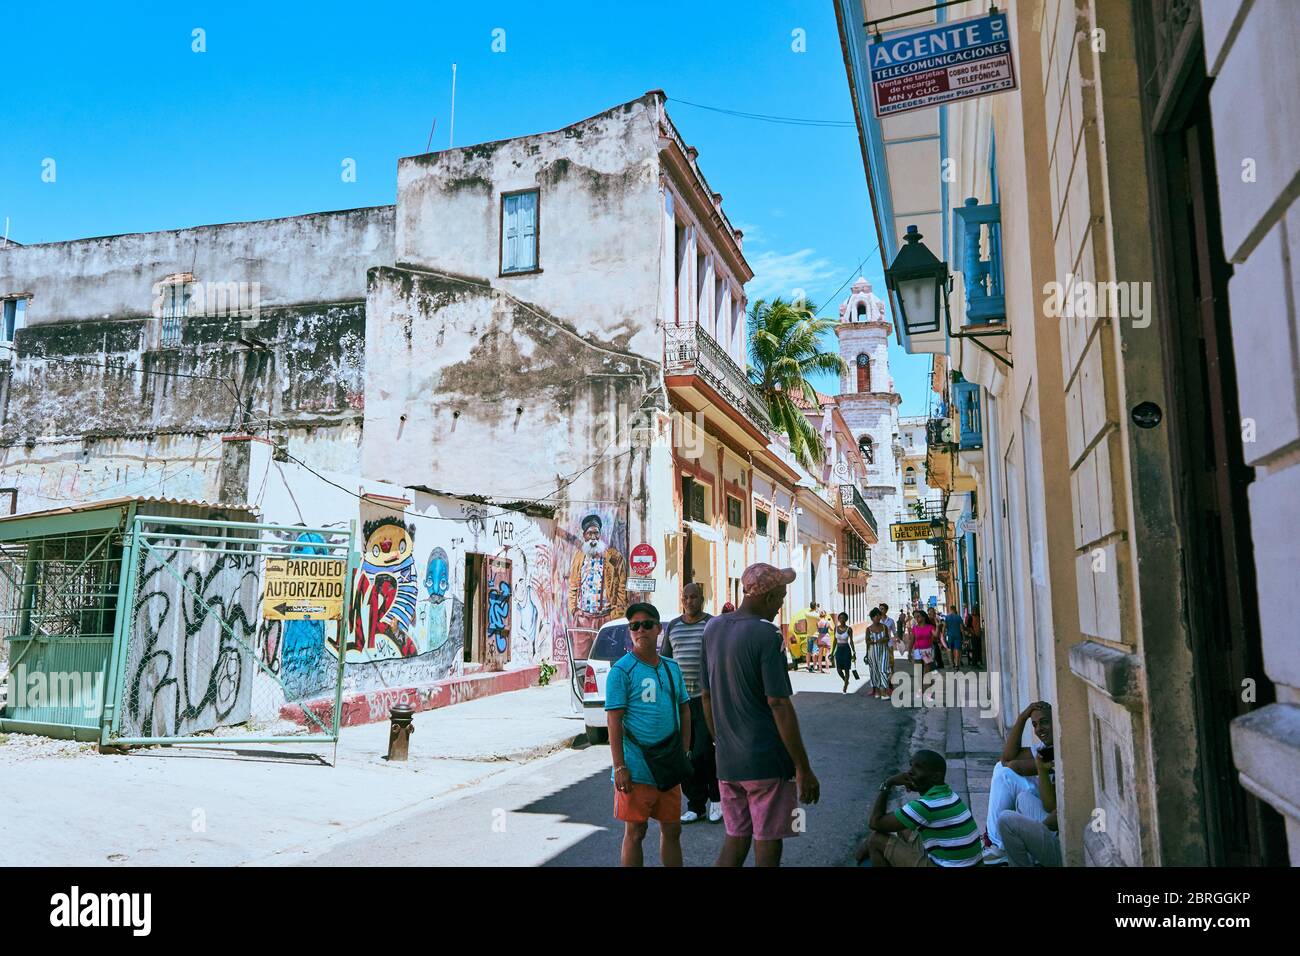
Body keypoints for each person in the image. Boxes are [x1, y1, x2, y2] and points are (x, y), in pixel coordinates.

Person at [701, 563, 819, 867]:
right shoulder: (767, 635)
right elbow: (778, 703)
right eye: (780, 597)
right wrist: (803, 768)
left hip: (729, 763)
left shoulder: (713, 628)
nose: (781, 605)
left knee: (736, 838)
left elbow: (706, 696)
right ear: (766, 598)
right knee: (769, 838)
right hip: (766, 761)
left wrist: (721, 741)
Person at [605, 602, 691, 867]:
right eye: (634, 626)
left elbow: (685, 710)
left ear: (658, 630)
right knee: (635, 832)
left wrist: (684, 752)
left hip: (668, 766)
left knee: (673, 830)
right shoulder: (621, 671)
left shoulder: (671, 668)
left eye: (646, 624)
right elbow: (614, 720)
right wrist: (620, 766)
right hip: (637, 768)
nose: (640, 630)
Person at [858, 749, 982, 867]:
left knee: (875, 839)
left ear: (936, 777)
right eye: (911, 765)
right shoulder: (950, 795)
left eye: (918, 768)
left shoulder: (925, 806)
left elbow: (875, 822)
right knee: (904, 825)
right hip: (969, 864)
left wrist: (888, 784)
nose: (910, 772)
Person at [660, 583, 720, 824]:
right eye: (686, 597)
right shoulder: (673, 627)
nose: (690, 601)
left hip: (706, 701)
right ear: (682, 600)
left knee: (707, 753)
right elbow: (665, 661)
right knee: (685, 755)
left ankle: (716, 800)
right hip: (680, 703)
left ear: (702, 599)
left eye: (694, 597)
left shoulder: (713, 625)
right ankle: (696, 805)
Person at [983, 701, 1054, 865]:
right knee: (1005, 773)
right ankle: (997, 842)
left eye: (1044, 722)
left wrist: (1011, 764)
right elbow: (1008, 756)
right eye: (1035, 725)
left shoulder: (1058, 746)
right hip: (1046, 805)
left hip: (1051, 814)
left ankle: (998, 845)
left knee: (1005, 775)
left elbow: (1013, 764)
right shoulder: (1045, 745)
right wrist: (1023, 717)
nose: (1039, 729)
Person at [1001, 747, 1062, 866]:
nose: (1039, 730)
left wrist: (1034, 830)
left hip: (1062, 847)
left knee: (1006, 820)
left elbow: (1055, 817)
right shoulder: (1052, 750)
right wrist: (1042, 769)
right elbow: (1050, 806)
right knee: (1023, 797)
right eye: (1035, 726)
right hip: (1054, 830)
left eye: (1044, 726)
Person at [567, 513, 627, 631]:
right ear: (584, 536)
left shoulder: (613, 557)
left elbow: (622, 586)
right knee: (582, 650)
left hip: (606, 618)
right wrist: (574, 610)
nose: (593, 537)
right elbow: (573, 585)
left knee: (607, 650)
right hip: (583, 618)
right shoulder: (578, 557)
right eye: (590, 533)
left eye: (596, 533)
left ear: (600, 534)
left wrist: (616, 614)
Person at [863, 607, 891, 699]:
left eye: (879, 615)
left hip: (883, 651)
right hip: (872, 652)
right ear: (872, 618)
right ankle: (877, 691)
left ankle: (883, 691)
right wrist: (867, 654)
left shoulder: (884, 627)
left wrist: (883, 640)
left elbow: (887, 638)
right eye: (876, 616)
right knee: (874, 671)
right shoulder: (869, 629)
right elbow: (867, 641)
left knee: (883, 670)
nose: (878, 617)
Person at [832, 612, 856, 693]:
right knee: (839, 670)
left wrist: (854, 652)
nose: (842, 619)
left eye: (843, 618)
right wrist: (832, 653)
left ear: (846, 619)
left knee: (846, 669)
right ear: (838, 619)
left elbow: (851, 641)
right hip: (839, 650)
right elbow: (834, 641)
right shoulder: (836, 628)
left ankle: (845, 686)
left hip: (846, 649)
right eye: (840, 618)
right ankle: (845, 680)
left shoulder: (849, 629)